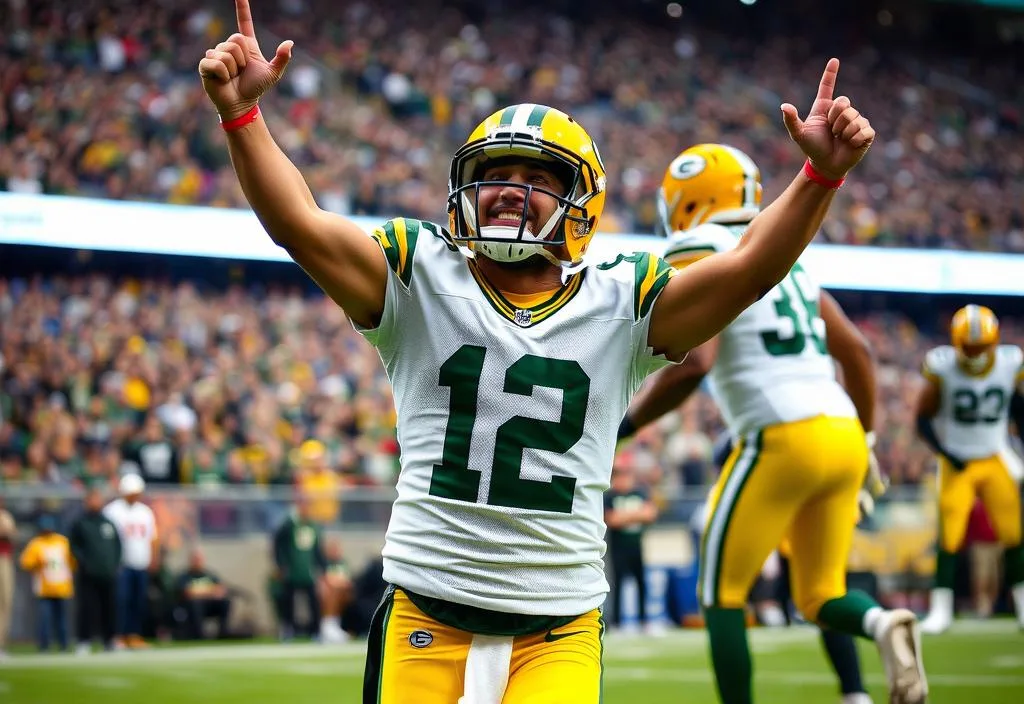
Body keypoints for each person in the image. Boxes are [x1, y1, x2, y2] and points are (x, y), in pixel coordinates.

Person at [199, 4, 876, 700]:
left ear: (579, 202)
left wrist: (818, 179)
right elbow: (298, 225)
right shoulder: (417, 273)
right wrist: (242, 119)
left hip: (556, 626)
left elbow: (748, 272)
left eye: (537, 176)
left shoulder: (621, 300)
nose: (508, 190)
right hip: (426, 613)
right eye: (495, 172)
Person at [617, 143, 921, 704]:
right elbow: (857, 352)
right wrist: (871, 438)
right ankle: (881, 627)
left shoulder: (696, 247)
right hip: (844, 435)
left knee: (721, 593)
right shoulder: (790, 259)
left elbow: (696, 362)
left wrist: (626, 424)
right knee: (820, 593)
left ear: (689, 199)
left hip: (780, 434)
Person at [915, 304, 1024, 634]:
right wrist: (945, 452)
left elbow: (1019, 408)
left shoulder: (1011, 362)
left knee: (1013, 533)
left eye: (980, 346)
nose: (975, 353)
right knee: (949, 535)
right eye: (970, 346)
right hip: (957, 460)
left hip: (994, 455)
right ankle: (941, 610)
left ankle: (1022, 606)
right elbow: (922, 417)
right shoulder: (941, 366)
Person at [604, 453, 659, 635]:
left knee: (641, 583)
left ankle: (645, 622)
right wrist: (636, 515)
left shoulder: (639, 492)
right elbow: (612, 519)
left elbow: (650, 514)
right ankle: (618, 623)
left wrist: (625, 517)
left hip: (637, 546)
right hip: (617, 548)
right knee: (617, 584)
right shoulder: (610, 496)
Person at [103, 473, 159, 649]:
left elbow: (152, 538)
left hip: (140, 563)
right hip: (121, 564)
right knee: (121, 601)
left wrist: (153, 558)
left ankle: (134, 635)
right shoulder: (112, 510)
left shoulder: (145, 511)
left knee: (138, 601)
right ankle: (118, 635)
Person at [69, 486, 122, 654]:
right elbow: (73, 546)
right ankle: (83, 641)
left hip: (108, 572)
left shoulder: (108, 523)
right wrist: (85, 563)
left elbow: (117, 546)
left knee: (109, 608)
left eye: (99, 499)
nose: (97, 502)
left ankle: (110, 640)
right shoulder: (80, 523)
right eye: (93, 499)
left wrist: (114, 564)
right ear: (87, 501)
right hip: (88, 574)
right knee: (87, 608)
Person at [272, 496, 327, 641]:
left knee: (313, 601)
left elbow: (317, 550)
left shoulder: (313, 526)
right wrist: (280, 564)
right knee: (288, 601)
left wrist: (323, 568)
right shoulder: (289, 524)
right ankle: (288, 629)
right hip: (291, 571)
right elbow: (277, 545)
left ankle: (316, 631)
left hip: (308, 571)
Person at [19, 514, 75, 652]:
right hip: (44, 588)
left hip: (62, 586)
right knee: (45, 619)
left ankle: (63, 644)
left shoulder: (63, 542)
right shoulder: (36, 543)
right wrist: (37, 563)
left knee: (61, 619)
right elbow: (25, 562)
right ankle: (44, 645)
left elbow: (73, 562)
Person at [175, 548, 231, 640]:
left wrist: (200, 592)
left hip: (209, 605)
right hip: (191, 606)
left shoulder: (209, 575)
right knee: (196, 604)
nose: (197, 562)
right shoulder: (184, 576)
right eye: (195, 559)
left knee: (225, 602)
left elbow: (220, 589)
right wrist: (209, 591)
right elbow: (188, 592)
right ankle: (199, 634)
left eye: (199, 559)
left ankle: (223, 632)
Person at [317, 536, 354, 643]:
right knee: (331, 590)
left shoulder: (342, 563)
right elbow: (324, 579)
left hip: (342, 593)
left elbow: (347, 580)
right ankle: (328, 626)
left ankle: (333, 626)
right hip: (327, 593)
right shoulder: (325, 564)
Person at [0, 498, 15, 659]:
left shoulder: (6, 516)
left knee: (5, 601)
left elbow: (11, 534)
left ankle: (1, 644)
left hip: (4, 558)